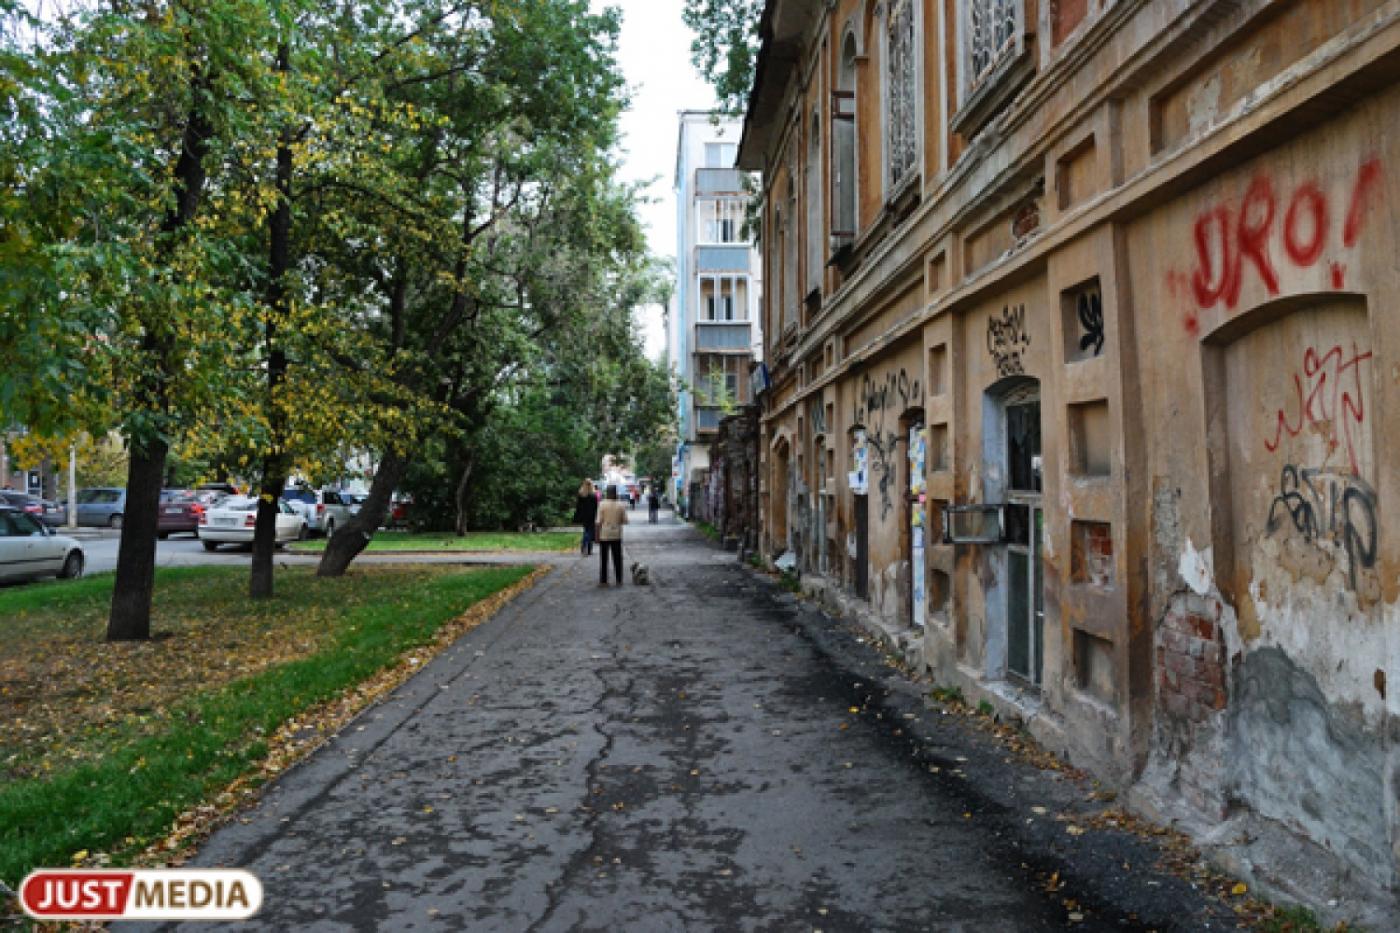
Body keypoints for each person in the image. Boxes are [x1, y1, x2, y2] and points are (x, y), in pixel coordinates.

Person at [596, 484, 628, 586]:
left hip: (604, 534)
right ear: (616, 493)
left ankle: (604, 581)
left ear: (607, 493)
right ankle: (619, 580)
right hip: (616, 534)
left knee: (604, 559)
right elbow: (625, 521)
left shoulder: (602, 504)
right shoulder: (621, 505)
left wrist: (596, 536)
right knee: (617, 558)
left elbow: (598, 521)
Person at [572, 479, 598, 556]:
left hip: (583, 516)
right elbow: (595, 507)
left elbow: (578, 506)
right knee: (590, 532)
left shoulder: (581, 495)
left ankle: (586, 547)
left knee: (586, 530)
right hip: (591, 516)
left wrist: (578, 515)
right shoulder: (593, 495)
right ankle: (587, 547)